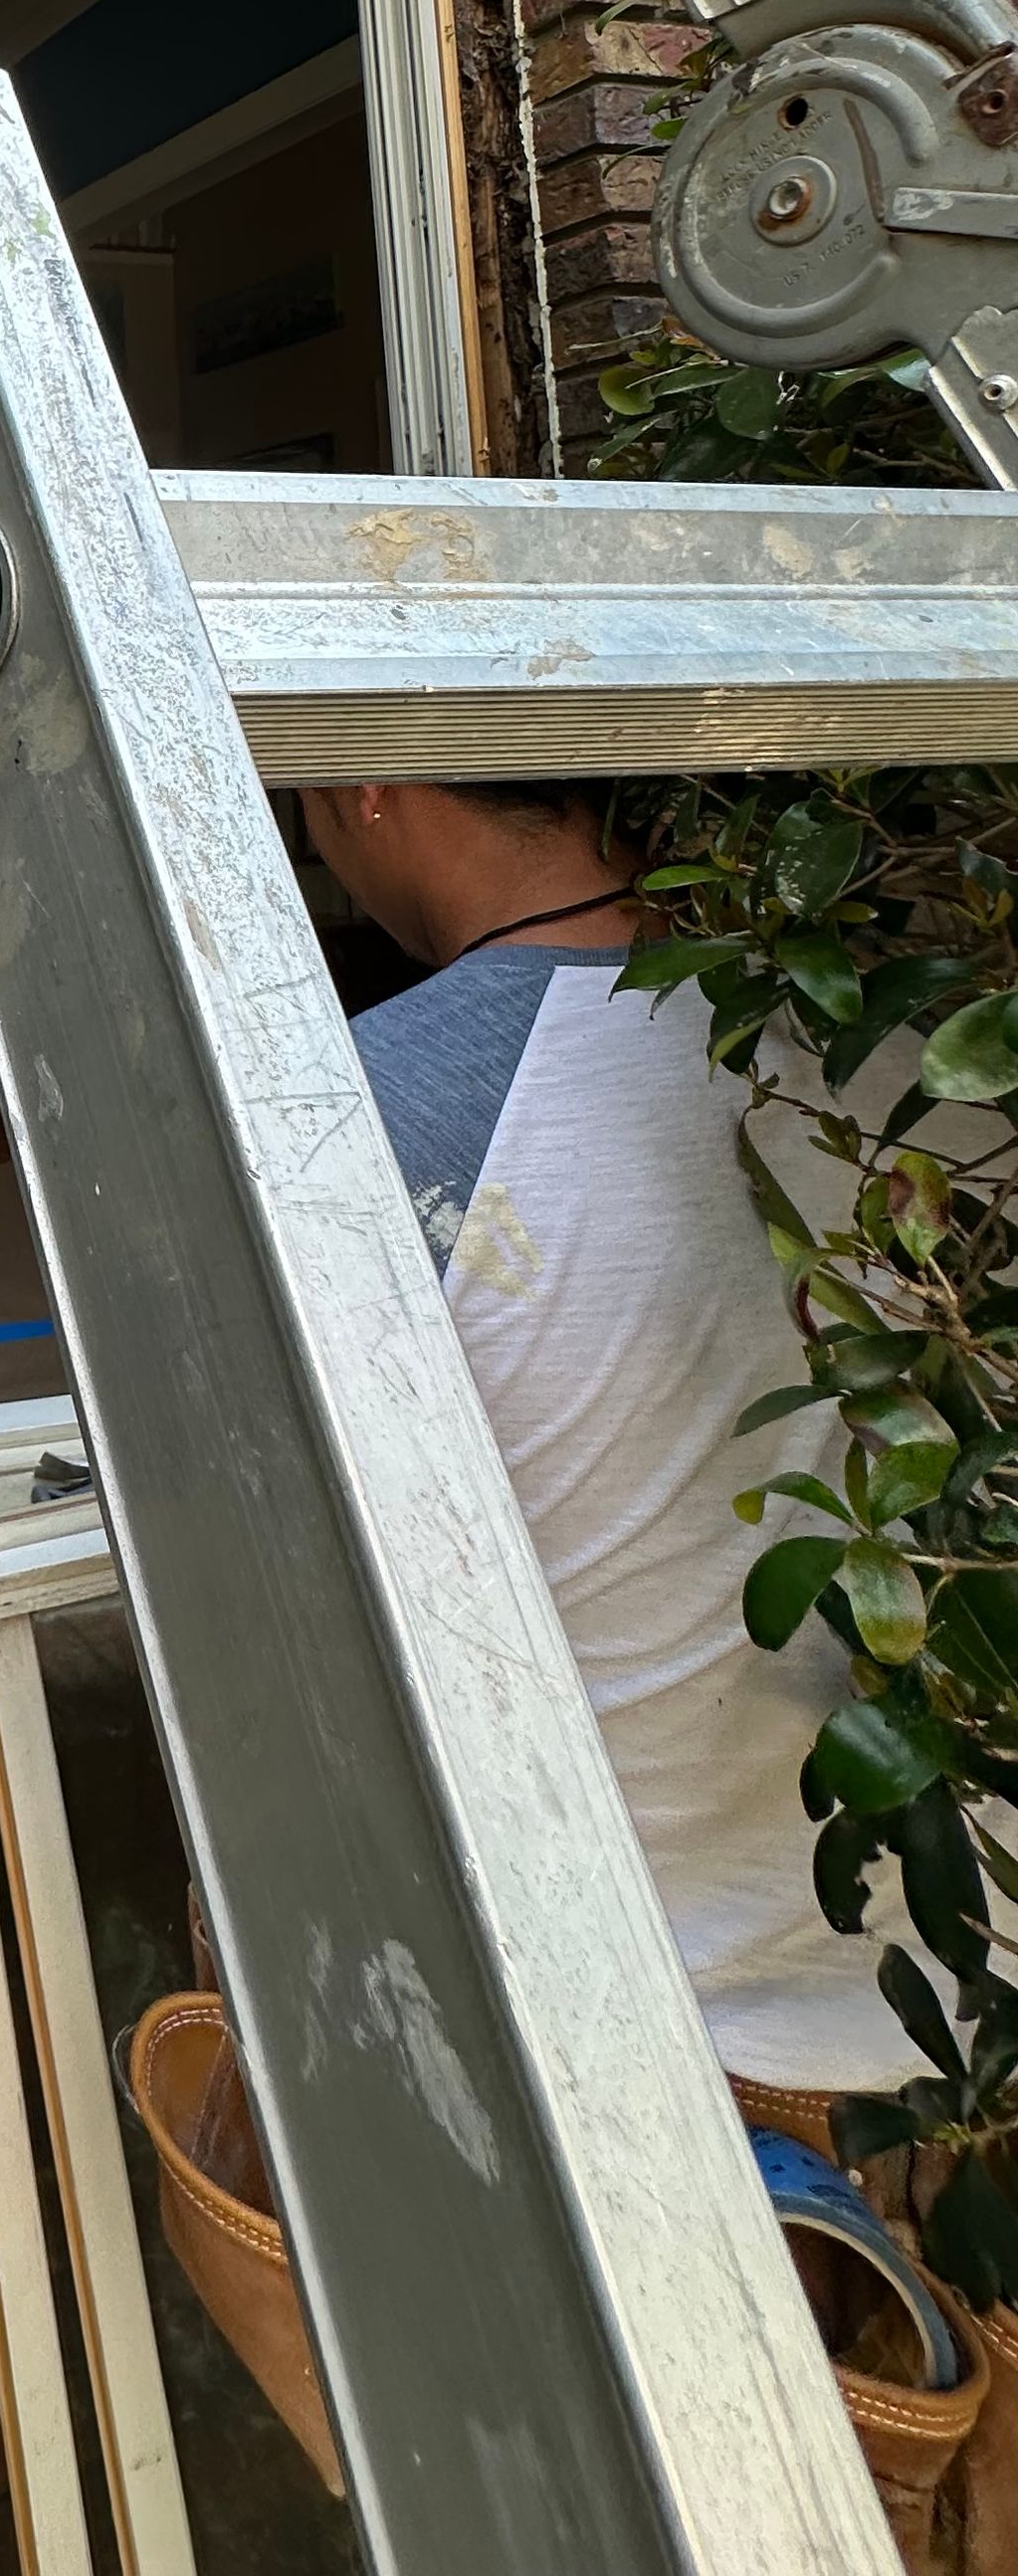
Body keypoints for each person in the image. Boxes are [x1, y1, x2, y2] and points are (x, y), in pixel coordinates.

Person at [304, 770, 943, 2095]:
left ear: (366, 783)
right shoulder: (898, 1056)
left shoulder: (358, 1114)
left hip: (624, 2053)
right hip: (953, 1988)